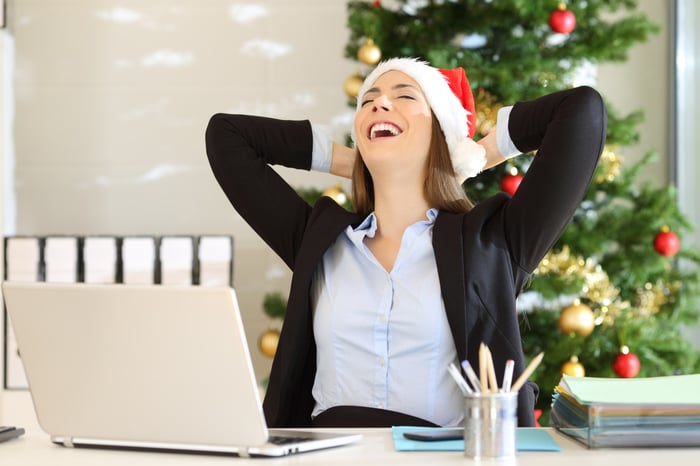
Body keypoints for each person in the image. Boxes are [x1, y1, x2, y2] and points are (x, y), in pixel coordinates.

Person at [205, 57, 607, 428]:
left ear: (441, 130)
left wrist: (469, 155)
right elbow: (227, 136)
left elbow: (581, 111)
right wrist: (354, 160)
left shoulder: (491, 244)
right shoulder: (318, 240)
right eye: (369, 101)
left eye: (404, 96)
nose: (379, 104)